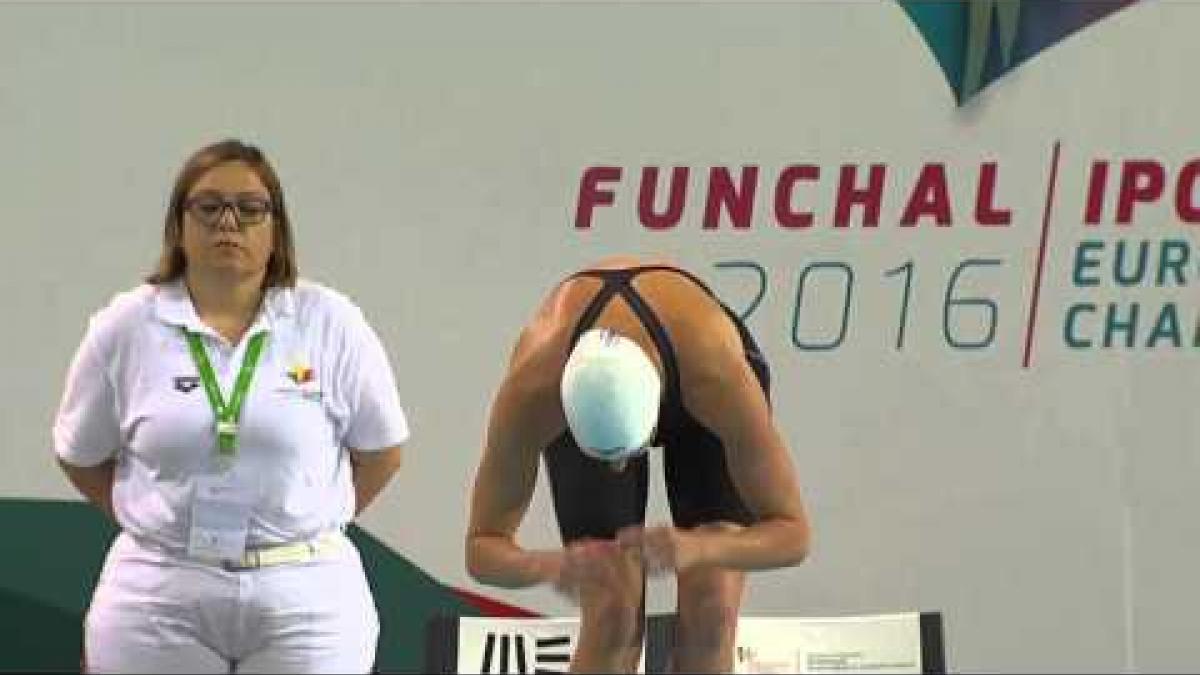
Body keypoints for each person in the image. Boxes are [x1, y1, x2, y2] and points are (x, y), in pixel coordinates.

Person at [52, 139, 409, 673]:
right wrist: (159, 521)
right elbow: (81, 456)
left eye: (250, 209)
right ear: (180, 225)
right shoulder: (125, 326)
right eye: (209, 206)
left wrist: (302, 519)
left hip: (304, 593)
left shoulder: (330, 321)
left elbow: (382, 453)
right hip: (159, 591)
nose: (229, 222)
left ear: (275, 229)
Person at [465, 255, 811, 673]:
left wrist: (701, 547)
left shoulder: (718, 381)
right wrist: (554, 564)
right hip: (589, 374)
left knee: (711, 612)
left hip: (693, 382)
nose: (617, 471)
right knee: (612, 618)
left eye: (625, 453)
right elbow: (482, 547)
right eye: (601, 456)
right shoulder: (532, 395)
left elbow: (792, 535)